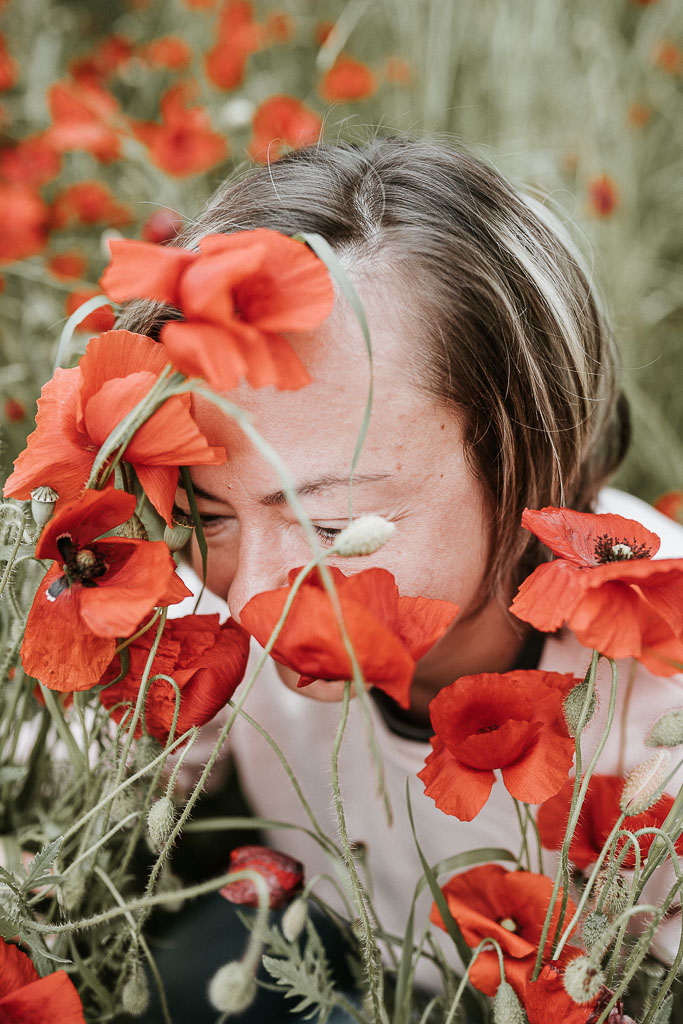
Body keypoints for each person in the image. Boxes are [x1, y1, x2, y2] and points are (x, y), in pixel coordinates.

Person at [124, 138, 683, 1021]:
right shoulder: (193, 590)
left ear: (529, 457)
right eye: (206, 514)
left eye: (334, 527)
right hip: (322, 935)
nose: (246, 601)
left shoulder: (663, 702)